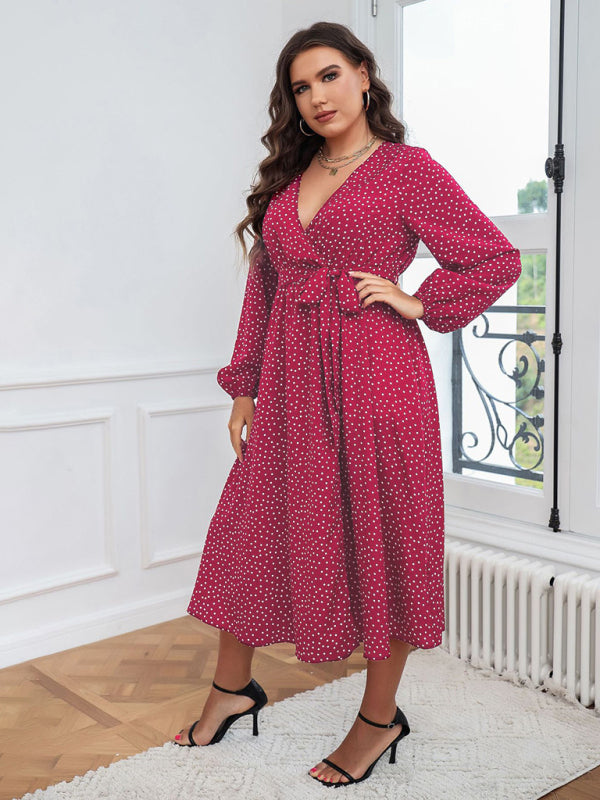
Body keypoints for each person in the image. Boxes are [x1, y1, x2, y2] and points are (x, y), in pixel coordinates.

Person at [171, 20, 522, 788]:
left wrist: (418, 302)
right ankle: (231, 689)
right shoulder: (290, 181)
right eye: (301, 87)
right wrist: (245, 385)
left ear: (364, 74)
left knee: (385, 540)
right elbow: (266, 287)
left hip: (377, 379)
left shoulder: (407, 170)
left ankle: (378, 718)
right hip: (291, 382)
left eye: (329, 75)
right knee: (253, 529)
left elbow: (494, 258)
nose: (317, 96)